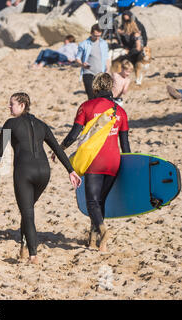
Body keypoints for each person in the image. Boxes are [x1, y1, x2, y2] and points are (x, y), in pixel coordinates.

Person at [0, 92, 81, 264]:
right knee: (27, 208)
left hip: (25, 172)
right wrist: (71, 170)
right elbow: (57, 148)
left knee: (28, 212)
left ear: (22, 105)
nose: (9, 107)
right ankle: (24, 246)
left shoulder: (10, 123)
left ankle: (33, 255)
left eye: (12, 104)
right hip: (44, 173)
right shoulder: (41, 125)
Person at [56, 73, 130, 252]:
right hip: (114, 162)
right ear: (111, 87)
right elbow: (126, 146)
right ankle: (95, 241)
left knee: (92, 201)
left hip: (94, 160)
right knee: (100, 201)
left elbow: (74, 134)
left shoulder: (86, 107)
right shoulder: (120, 111)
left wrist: (60, 148)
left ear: (95, 88)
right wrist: (129, 167)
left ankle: (103, 230)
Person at [75, 24, 110, 100]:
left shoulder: (104, 43)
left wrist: (108, 69)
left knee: (103, 97)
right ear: (91, 33)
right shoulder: (84, 44)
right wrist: (82, 64)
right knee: (91, 96)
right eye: (95, 35)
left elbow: (107, 57)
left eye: (99, 35)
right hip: (88, 73)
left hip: (101, 74)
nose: (97, 37)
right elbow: (77, 58)